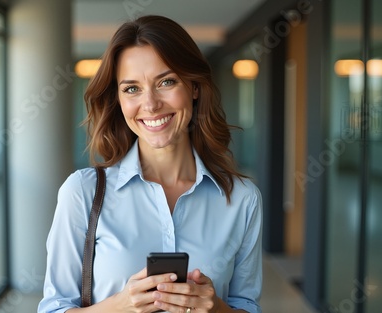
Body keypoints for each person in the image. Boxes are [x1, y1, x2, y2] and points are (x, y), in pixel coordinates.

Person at [38, 15, 262, 313]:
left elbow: (248, 306)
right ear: (118, 99)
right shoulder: (82, 192)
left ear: (194, 87)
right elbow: (52, 308)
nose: (151, 104)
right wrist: (120, 305)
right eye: (132, 88)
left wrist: (217, 309)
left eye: (166, 82)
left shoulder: (243, 199)